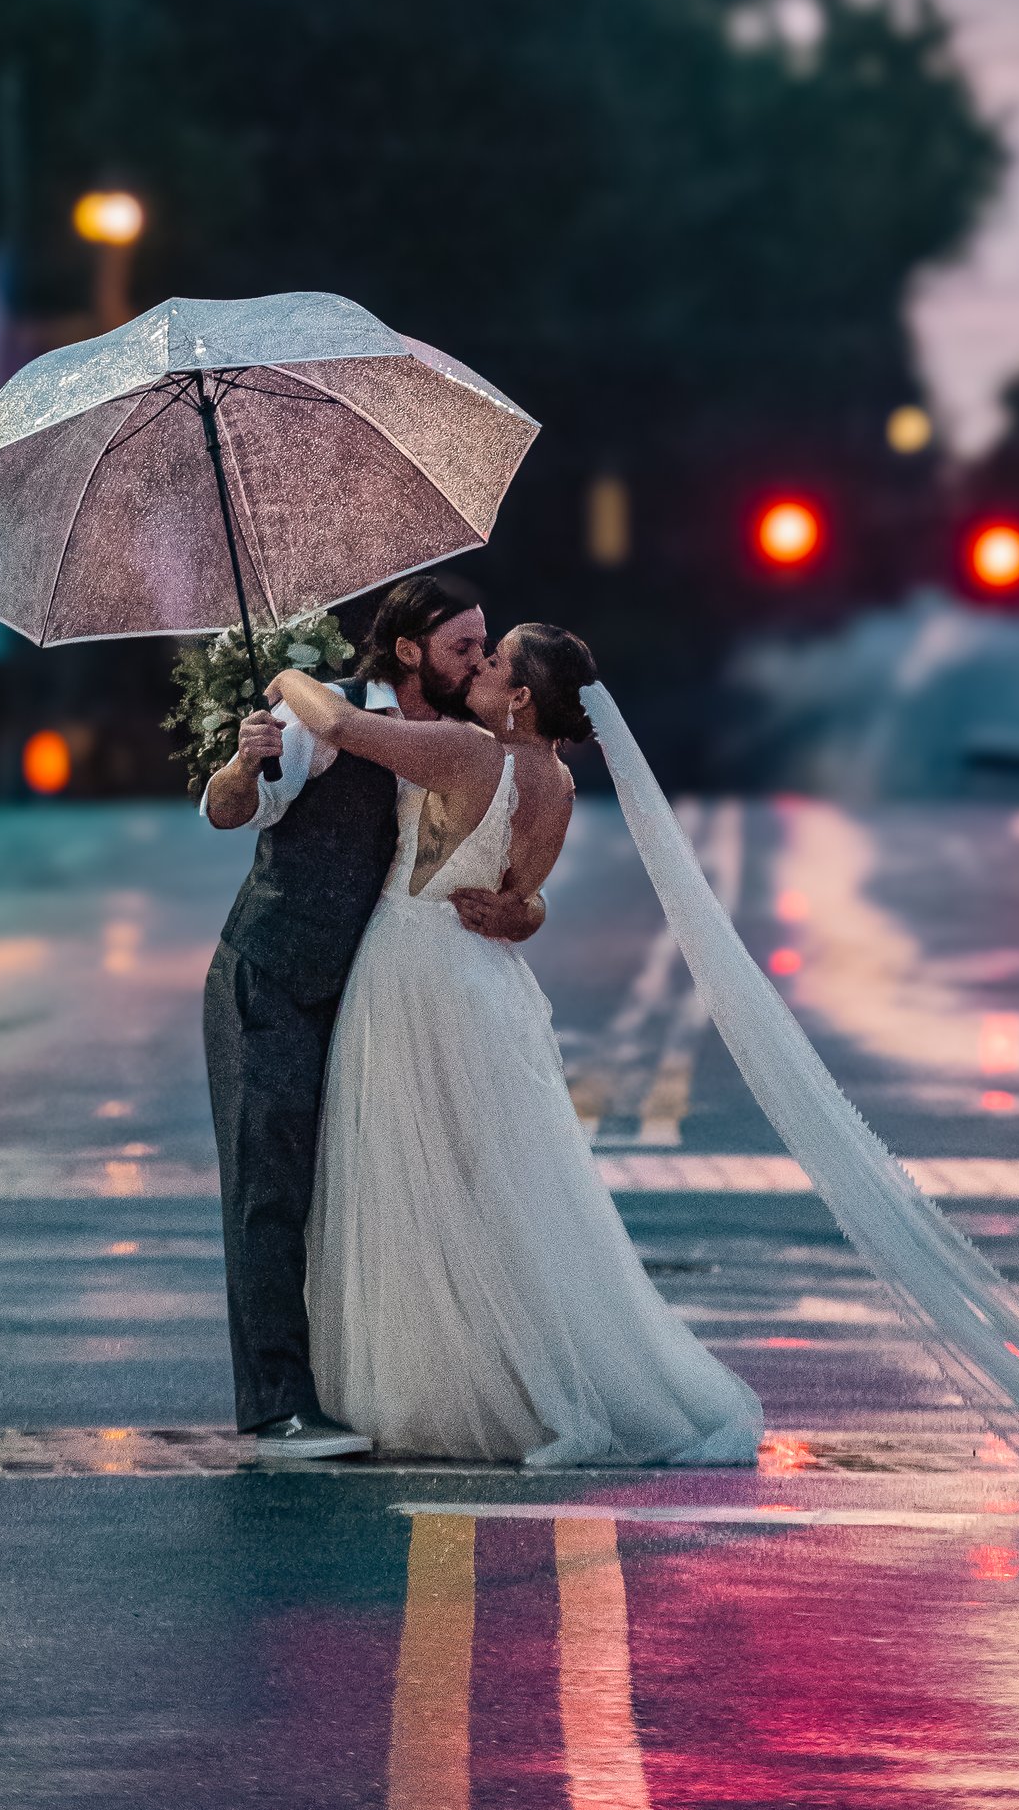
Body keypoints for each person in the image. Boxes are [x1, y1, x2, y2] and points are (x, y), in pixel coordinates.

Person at [269, 623, 762, 1470]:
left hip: (412, 970)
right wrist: (525, 916)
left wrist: (285, 672)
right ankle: (528, 1371)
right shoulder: (558, 782)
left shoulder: (465, 750)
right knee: (498, 1186)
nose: (482, 666)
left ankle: (445, 1381)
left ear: (523, 695)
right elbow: (518, 898)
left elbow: (343, 728)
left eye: (495, 661)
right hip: (488, 986)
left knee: (411, 1175)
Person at [200, 567, 545, 1462]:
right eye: (462, 644)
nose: (478, 658)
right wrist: (244, 759)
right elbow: (228, 810)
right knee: (267, 1191)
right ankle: (276, 1404)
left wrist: (523, 911)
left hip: (372, 995)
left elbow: (506, 863)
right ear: (408, 650)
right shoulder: (327, 717)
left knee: (354, 1190)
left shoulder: (466, 737)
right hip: (272, 974)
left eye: (483, 644)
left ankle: (359, 1382)